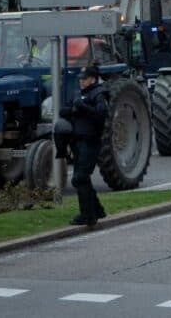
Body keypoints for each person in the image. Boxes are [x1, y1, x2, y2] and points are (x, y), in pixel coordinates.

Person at [60, 64, 109, 227]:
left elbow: (101, 115)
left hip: (91, 141)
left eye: (85, 79)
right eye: (80, 79)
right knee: (82, 178)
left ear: (93, 79)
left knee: (79, 178)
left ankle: (87, 215)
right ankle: (97, 210)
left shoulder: (99, 94)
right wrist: (70, 110)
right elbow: (65, 108)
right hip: (77, 141)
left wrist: (83, 107)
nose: (81, 82)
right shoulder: (79, 93)